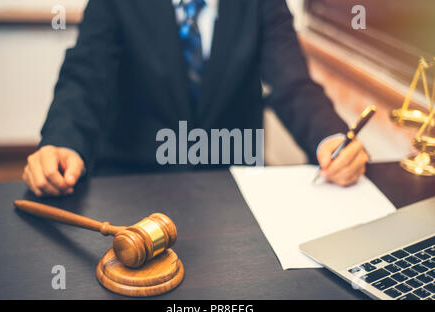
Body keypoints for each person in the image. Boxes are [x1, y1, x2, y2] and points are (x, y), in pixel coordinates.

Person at [22, 0, 369, 197]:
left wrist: (333, 139)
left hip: (232, 180)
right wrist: (62, 142)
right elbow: (85, 77)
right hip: (134, 179)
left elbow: (292, 82)